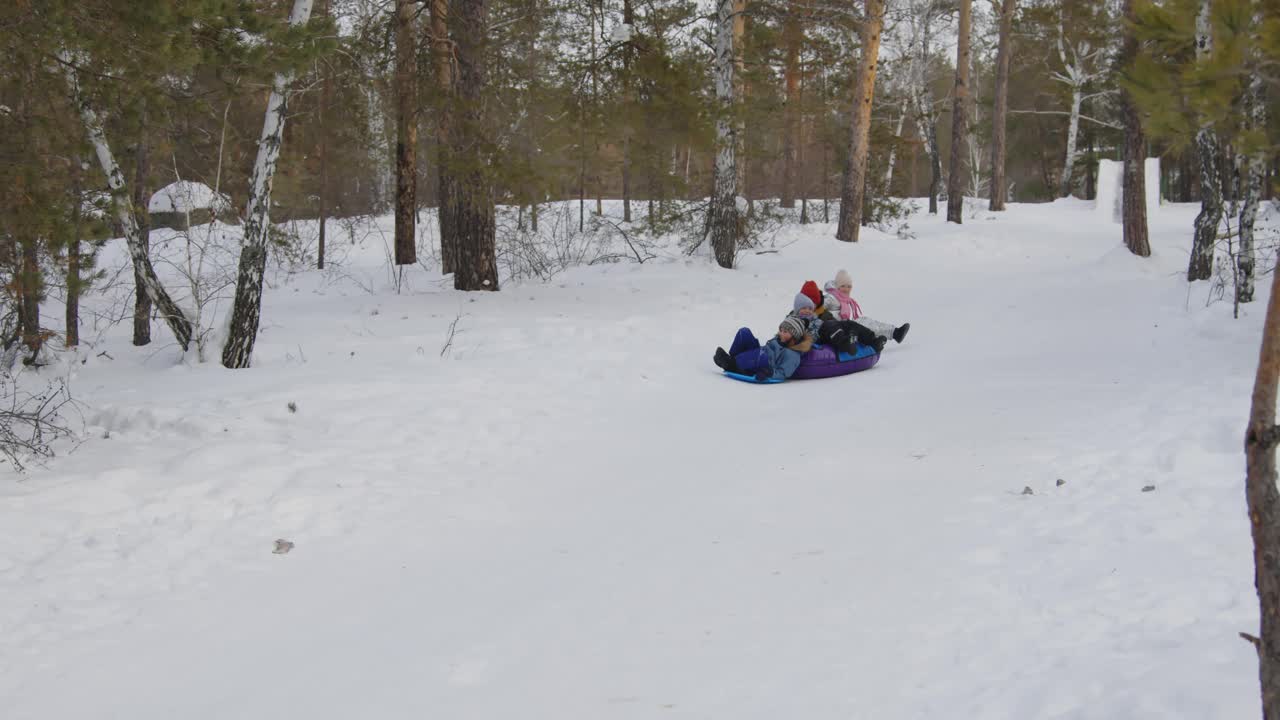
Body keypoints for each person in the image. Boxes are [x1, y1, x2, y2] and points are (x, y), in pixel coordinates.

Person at [713, 316, 812, 382]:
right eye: (781, 330)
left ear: (795, 335)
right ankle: (732, 359)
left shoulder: (793, 354)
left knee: (761, 356)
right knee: (744, 332)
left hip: (763, 365)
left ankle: (730, 365)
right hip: (757, 356)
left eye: (785, 331)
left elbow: (783, 373)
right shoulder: (779, 340)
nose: (781, 333)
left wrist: (769, 373)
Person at [823, 269, 909, 344]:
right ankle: (892, 334)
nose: (846, 289)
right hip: (837, 328)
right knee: (863, 324)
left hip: (844, 324)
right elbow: (819, 307)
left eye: (848, 286)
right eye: (842, 286)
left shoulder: (843, 300)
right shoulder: (831, 297)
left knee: (865, 321)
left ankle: (895, 332)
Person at [795, 283, 885, 354]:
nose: (808, 310)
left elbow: (834, 322)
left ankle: (873, 341)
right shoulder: (795, 316)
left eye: (810, 306)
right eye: (804, 307)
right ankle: (846, 344)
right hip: (820, 338)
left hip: (832, 331)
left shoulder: (819, 313)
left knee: (847, 323)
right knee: (828, 324)